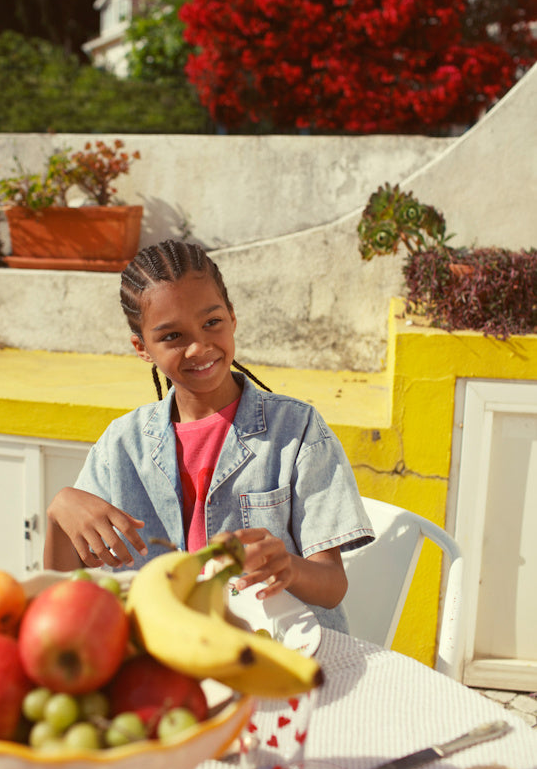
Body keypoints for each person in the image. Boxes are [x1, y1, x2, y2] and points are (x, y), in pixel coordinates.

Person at [45, 239, 374, 632]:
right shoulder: (121, 445)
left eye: (212, 323)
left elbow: (332, 586)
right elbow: (62, 596)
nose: (199, 347)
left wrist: (288, 566)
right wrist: (58, 511)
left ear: (232, 318)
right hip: (165, 657)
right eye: (172, 336)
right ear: (142, 347)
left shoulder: (298, 431)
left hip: (283, 650)